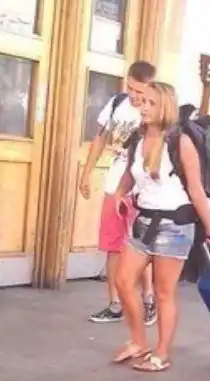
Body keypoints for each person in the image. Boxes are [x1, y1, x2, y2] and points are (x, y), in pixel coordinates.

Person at [111, 82, 210, 372]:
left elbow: (196, 189)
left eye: (151, 103)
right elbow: (131, 174)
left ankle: (161, 353)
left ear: (165, 107)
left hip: (174, 225)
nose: (144, 107)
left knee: (163, 293)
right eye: (143, 101)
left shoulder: (179, 142)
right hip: (144, 221)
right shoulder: (138, 138)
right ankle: (138, 341)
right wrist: (120, 194)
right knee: (123, 280)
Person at [80, 61, 157, 326]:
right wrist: (86, 172)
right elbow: (100, 138)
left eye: (139, 90)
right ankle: (115, 303)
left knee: (141, 245)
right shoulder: (117, 103)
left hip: (142, 188)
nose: (134, 95)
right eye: (130, 88)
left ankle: (148, 299)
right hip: (115, 182)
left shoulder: (153, 110)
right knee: (112, 245)